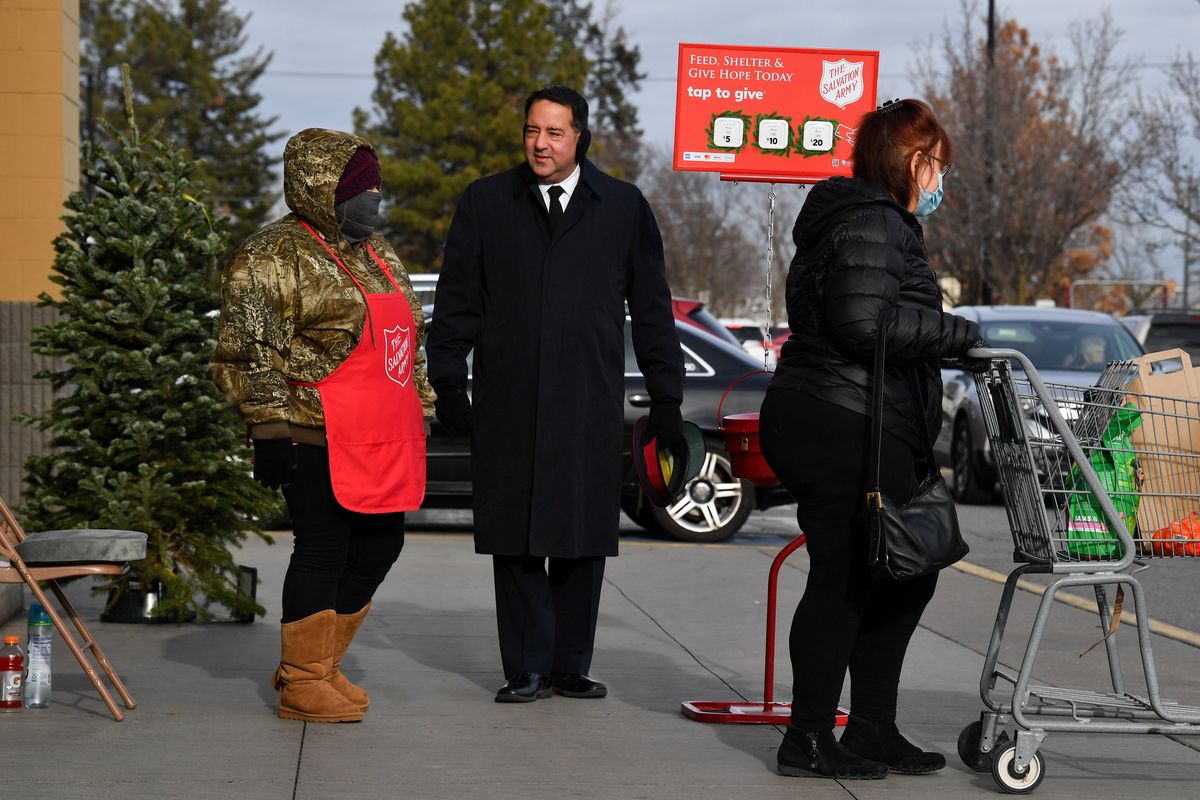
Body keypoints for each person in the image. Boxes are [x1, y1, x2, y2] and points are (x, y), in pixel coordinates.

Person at [426, 85, 683, 703]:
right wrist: (448, 380)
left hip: (586, 402)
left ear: (580, 138)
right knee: (515, 540)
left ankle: (569, 664)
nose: (540, 144)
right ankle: (525, 667)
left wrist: (668, 398)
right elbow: (457, 302)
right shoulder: (487, 202)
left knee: (581, 537)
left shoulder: (622, 207)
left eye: (555, 133)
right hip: (507, 401)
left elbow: (651, 311)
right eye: (532, 131)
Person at [759, 99, 983, 779]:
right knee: (847, 576)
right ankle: (808, 738)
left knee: (906, 572)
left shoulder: (869, 221)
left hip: (857, 416)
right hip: (840, 418)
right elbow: (862, 323)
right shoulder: (874, 221)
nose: (940, 178)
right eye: (936, 163)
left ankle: (871, 728)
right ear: (911, 160)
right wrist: (958, 333)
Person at [211, 129, 434, 723]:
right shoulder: (270, 255)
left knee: (382, 545)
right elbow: (251, 348)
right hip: (313, 431)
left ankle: (319, 666)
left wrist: (425, 409)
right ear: (320, 188)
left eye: (376, 187)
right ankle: (303, 682)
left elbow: (408, 345)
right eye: (360, 189)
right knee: (323, 549)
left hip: (385, 434)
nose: (375, 199)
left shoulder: (380, 253)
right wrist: (266, 427)